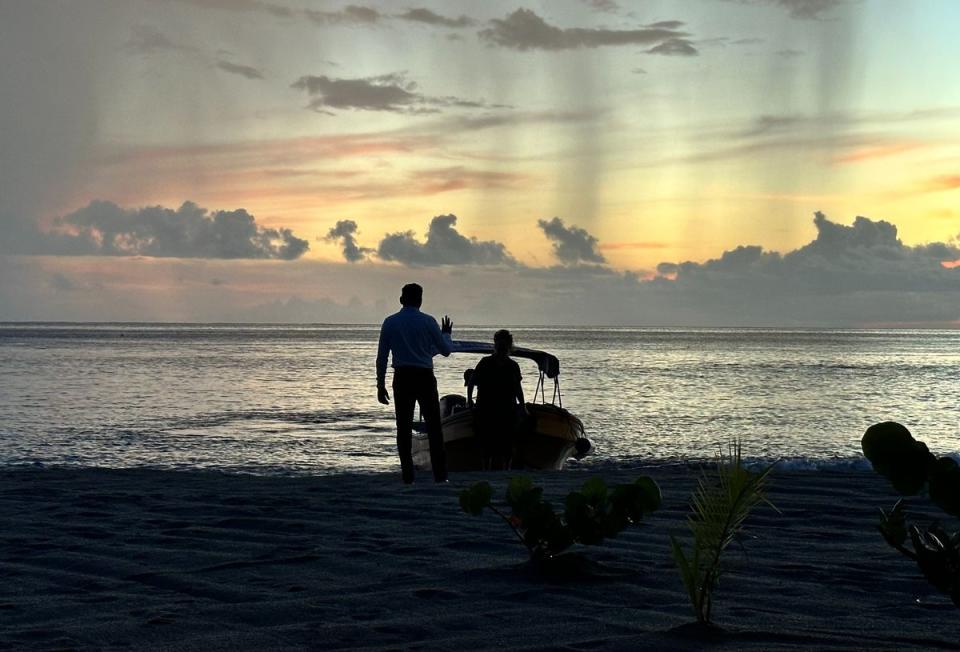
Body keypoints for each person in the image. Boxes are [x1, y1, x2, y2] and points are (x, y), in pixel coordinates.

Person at [376, 283, 453, 484]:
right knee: (434, 427)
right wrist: (446, 334)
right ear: (420, 300)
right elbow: (445, 350)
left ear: (402, 300)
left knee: (403, 428)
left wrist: (380, 385)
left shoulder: (390, 322)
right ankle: (440, 476)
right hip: (425, 377)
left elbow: (382, 357)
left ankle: (408, 475)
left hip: (402, 377)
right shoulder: (428, 322)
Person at [467, 329, 526, 470]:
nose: (502, 346)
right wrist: (470, 402)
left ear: (509, 345)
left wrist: (523, 407)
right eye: (500, 343)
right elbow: (471, 383)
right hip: (487, 408)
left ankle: (505, 468)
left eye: (504, 344)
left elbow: (518, 389)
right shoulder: (485, 362)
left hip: (506, 408)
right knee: (487, 442)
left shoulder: (513, 366)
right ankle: (488, 468)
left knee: (506, 443)